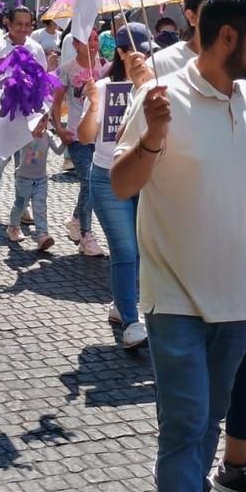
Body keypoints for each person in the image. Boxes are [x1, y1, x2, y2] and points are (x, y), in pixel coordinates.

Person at [111, 0, 246, 492]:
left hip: (239, 298)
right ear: (226, 36)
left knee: (208, 421)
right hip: (174, 296)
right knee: (186, 424)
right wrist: (154, 138)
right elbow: (121, 184)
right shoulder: (162, 96)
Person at [80, 35, 153, 349]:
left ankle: (121, 303)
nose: (145, 56)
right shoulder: (104, 87)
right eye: (138, 50)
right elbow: (85, 137)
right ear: (122, 53)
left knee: (142, 248)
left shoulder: (155, 87)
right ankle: (131, 320)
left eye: (149, 51)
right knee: (124, 249)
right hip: (107, 178)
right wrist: (94, 105)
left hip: (145, 176)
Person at [0, 6, 53, 215]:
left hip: (29, 115)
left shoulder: (36, 48)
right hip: (2, 114)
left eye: (27, 24)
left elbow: (44, 82)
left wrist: (43, 116)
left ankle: (22, 205)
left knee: (26, 164)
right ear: (8, 24)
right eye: (18, 24)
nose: (23, 28)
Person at [52, 26, 106, 256]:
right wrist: (59, 129)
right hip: (76, 134)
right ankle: (86, 234)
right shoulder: (67, 70)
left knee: (91, 181)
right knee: (89, 180)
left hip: (101, 133)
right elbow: (55, 102)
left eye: (95, 39)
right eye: (87, 40)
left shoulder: (104, 66)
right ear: (74, 44)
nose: (93, 44)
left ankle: (76, 218)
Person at [5, 115, 65, 250]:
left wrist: (65, 140)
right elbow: (15, 143)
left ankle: (42, 235)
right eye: (37, 120)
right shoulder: (25, 135)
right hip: (23, 179)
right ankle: (13, 227)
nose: (40, 124)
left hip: (41, 180)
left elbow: (59, 151)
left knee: (40, 207)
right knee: (20, 206)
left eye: (44, 120)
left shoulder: (48, 136)